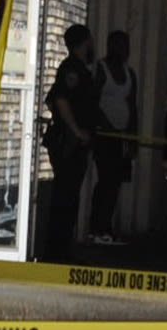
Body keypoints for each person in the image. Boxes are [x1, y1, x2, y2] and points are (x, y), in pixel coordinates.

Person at [42, 24, 98, 259]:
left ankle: (61, 249)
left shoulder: (78, 69)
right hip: (68, 144)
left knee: (69, 196)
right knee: (65, 197)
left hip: (72, 142)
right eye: (90, 40)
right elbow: (61, 100)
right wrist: (76, 130)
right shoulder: (72, 69)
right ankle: (57, 252)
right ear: (84, 41)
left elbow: (52, 101)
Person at [88, 27, 138, 243]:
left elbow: (132, 104)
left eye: (125, 45)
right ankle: (97, 228)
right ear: (110, 46)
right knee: (106, 180)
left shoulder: (129, 74)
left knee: (116, 182)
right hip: (104, 135)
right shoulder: (101, 69)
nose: (123, 50)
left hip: (122, 136)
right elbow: (93, 101)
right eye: (118, 45)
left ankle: (105, 226)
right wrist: (105, 125)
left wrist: (133, 136)